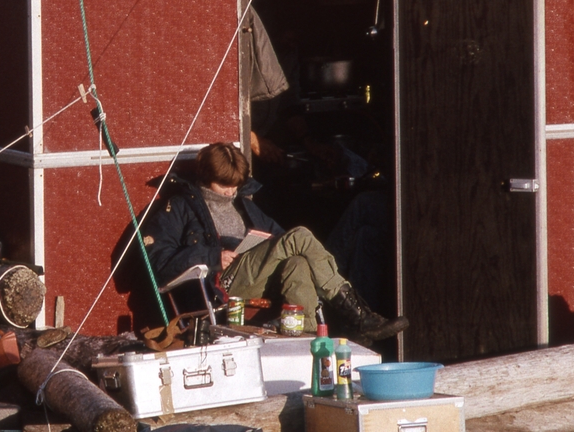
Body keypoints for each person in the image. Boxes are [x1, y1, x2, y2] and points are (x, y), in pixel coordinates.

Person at [142, 142, 408, 343]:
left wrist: (264, 243)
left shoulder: (242, 204)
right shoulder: (179, 207)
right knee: (300, 235)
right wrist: (213, 256)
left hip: (251, 275)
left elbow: (282, 238)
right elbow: (157, 262)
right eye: (225, 184)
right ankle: (355, 315)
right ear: (205, 178)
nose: (232, 191)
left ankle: (304, 334)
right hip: (220, 281)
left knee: (297, 262)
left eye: (236, 184)